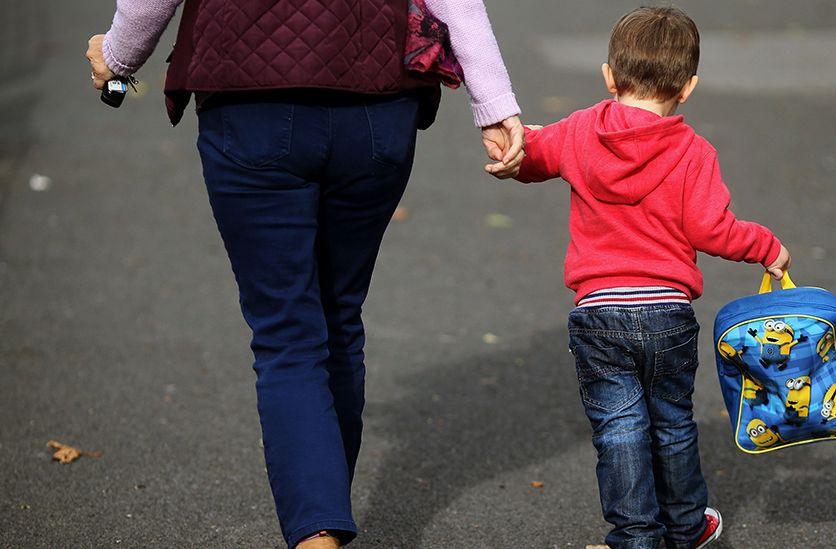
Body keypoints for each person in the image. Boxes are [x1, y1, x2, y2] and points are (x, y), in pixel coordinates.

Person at [85, 1, 523, 547]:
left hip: (251, 101)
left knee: (288, 333)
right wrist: (495, 103)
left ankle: (317, 533)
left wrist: (119, 56)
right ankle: (324, 522)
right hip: (377, 103)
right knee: (339, 317)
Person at [498, 7, 791, 548]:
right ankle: (684, 526)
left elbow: (533, 156)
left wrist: (516, 144)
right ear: (688, 87)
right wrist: (766, 247)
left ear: (609, 75)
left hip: (598, 312)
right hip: (666, 312)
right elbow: (713, 230)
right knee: (674, 423)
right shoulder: (692, 151)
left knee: (619, 430)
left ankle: (635, 536)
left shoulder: (582, 129)